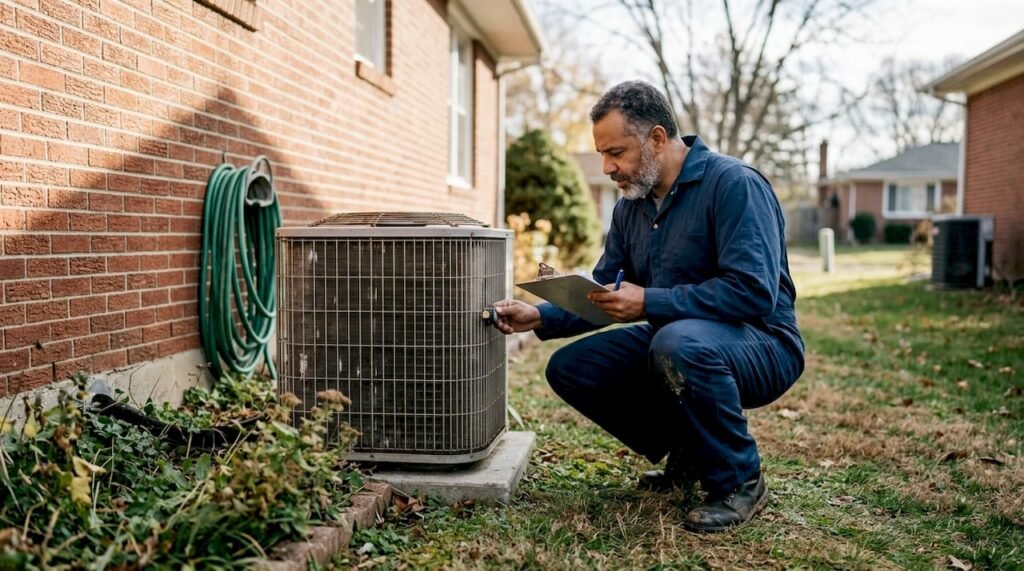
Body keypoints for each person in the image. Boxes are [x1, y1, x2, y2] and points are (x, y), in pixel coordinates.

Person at [492, 80, 804, 532]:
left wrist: (649, 301)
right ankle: (695, 451)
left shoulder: (735, 185)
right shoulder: (631, 207)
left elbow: (753, 292)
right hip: (677, 338)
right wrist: (540, 315)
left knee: (679, 343)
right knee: (573, 367)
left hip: (762, 342)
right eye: (602, 154)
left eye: (616, 152)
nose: (606, 167)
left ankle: (740, 480)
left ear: (657, 138)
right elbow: (605, 288)